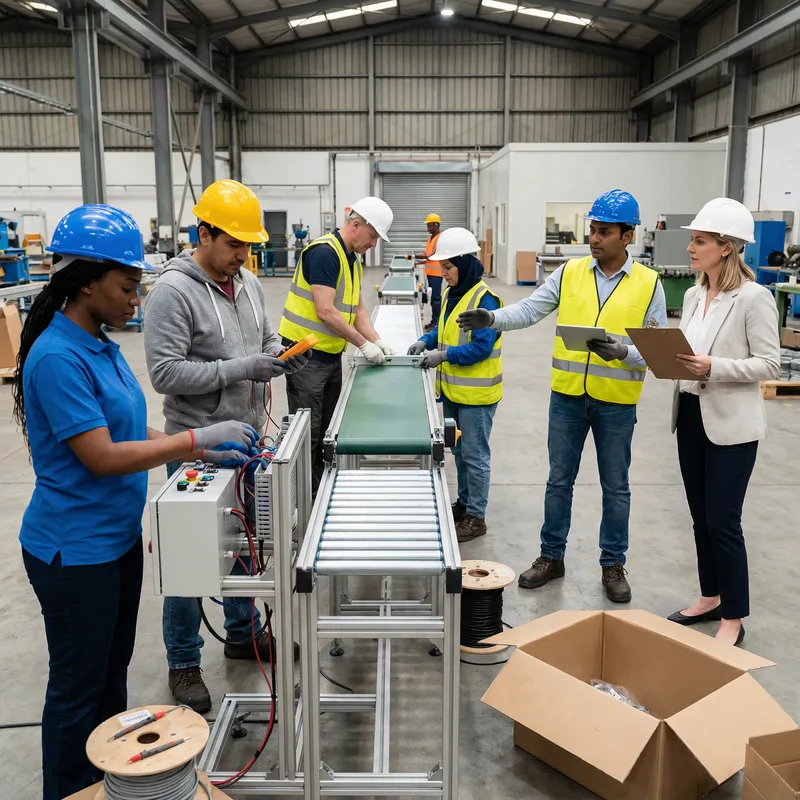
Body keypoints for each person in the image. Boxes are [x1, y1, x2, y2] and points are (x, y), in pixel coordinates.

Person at [12, 204, 259, 800]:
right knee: (77, 687)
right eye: (127, 287)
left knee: (110, 676)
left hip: (115, 540)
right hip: (73, 552)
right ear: (86, 281)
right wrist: (195, 438)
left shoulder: (97, 344)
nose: (137, 301)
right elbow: (99, 455)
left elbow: (128, 429)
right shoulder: (56, 357)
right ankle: (69, 789)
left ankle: (107, 783)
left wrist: (195, 452)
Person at [144, 179, 308, 713]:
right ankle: (184, 661)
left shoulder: (250, 283)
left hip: (248, 437)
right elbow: (165, 373)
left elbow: (261, 339)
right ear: (203, 233)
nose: (243, 255)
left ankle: (242, 634)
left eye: (248, 246)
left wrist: (277, 355)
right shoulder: (173, 291)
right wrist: (244, 368)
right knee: (191, 558)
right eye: (233, 244)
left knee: (244, 544)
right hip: (197, 446)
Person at [458, 189, 667, 602]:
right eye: (591, 230)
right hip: (568, 399)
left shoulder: (649, 284)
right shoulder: (569, 272)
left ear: (627, 236)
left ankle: (612, 564)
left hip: (616, 404)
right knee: (558, 481)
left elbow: (660, 352)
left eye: (603, 232)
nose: (594, 238)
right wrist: (492, 319)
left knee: (616, 487)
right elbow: (531, 309)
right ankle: (551, 557)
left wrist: (624, 351)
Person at [667, 198, 779, 646]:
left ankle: (734, 616)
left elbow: (770, 364)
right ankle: (710, 596)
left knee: (723, 521)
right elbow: (688, 354)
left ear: (727, 247)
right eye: (693, 240)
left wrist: (714, 366)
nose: (691, 248)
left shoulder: (755, 298)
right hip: (691, 415)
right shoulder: (695, 295)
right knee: (699, 518)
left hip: (731, 424)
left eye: (700, 240)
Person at [278, 197, 396, 496]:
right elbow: (326, 311)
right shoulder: (324, 254)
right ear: (355, 226)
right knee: (310, 433)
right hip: (305, 358)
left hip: (329, 356)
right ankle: (308, 497)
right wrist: (362, 344)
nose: (373, 244)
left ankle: (324, 486)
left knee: (330, 428)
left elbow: (359, 312)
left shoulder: (351, 259)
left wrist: (376, 341)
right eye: (372, 237)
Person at [408, 228, 502, 543]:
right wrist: (425, 340)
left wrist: (442, 356)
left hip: (477, 396)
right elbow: (444, 328)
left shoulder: (485, 299)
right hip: (452, 392)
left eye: (448, 267)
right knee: (459, 452)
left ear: (464, 262)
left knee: (475, 455)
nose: (443, 273)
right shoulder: (452, 292)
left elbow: (480, 349)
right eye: (442, 267)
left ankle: (477, 516)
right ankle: (464, 504)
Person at [415, 212, 442, 332]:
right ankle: (433, 321)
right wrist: (418, 262)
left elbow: (431, 256)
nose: (428, 228)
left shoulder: (439, 239)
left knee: (436, 299)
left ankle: (437, 324)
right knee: (431, 298)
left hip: (436, 274)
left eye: (430, 226)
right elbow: (427, 256)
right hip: (429, 273)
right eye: (427, 226)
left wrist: (414, 256)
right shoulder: (430, 238)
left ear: (436, 225)